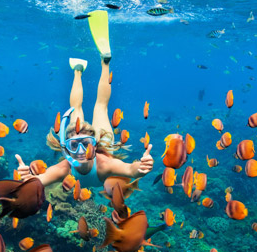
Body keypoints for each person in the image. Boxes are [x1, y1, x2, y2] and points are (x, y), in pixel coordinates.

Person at [15, 10, 154, 188]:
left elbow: (130, 170)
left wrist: (141, 169)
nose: (81, 151)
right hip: (106, 143)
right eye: (75, 146)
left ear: (94, 145)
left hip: (101, 147)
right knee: (100, 107)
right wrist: (28, 180)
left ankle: (82, 69)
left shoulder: (104, 164)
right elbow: (38, 181)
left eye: (85, 144)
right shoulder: (64, 168)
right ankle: (99, 64)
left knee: (80, 107)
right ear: (67, 148)